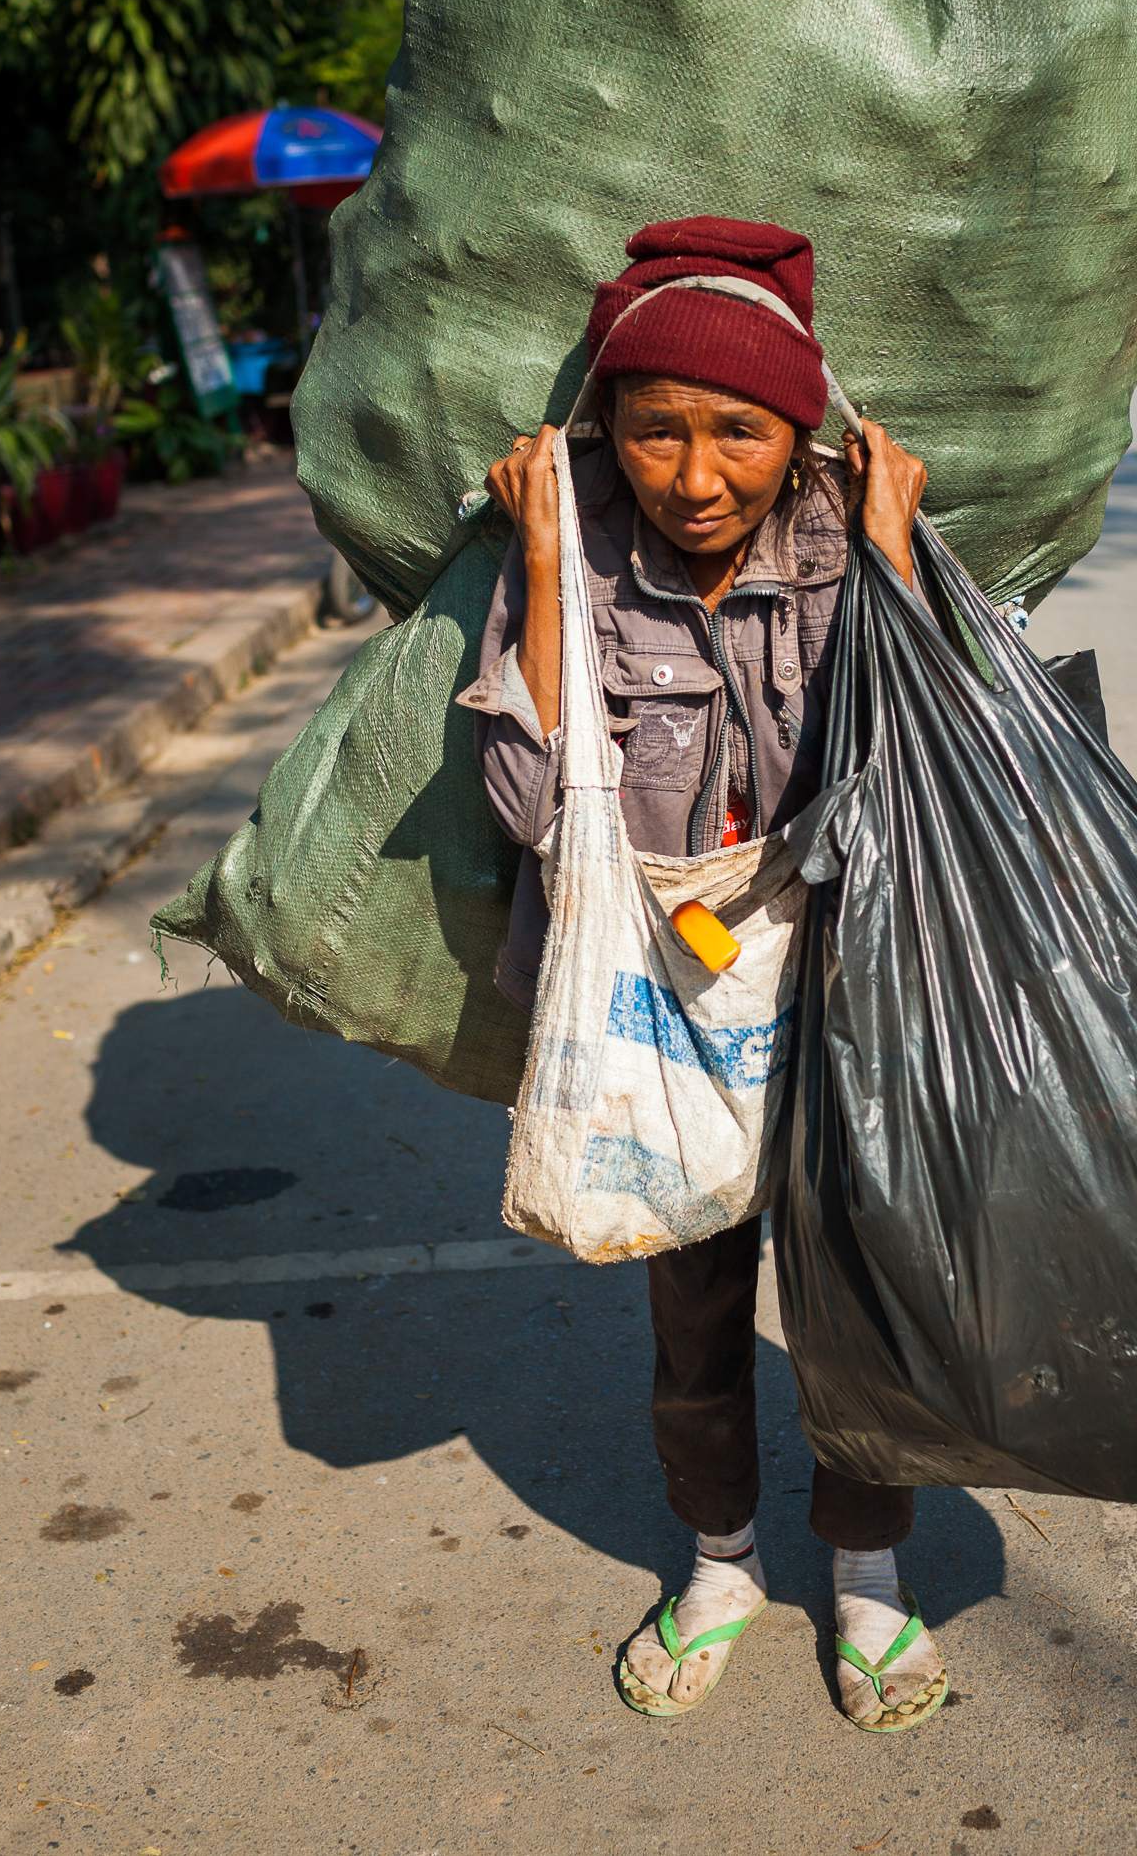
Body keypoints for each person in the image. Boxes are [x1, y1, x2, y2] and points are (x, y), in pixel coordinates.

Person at [465, 215, 946, 1732]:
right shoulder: (584, 552)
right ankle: (722, 1557)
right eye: (652, 428)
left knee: (861, 1295)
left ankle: (870, 1575)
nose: (691, 473)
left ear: (795, 430)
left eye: (736, 430)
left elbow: (925, 771)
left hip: (843, 986)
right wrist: (545, 564)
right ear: (602, 426)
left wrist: (883, 558)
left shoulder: (838, 534)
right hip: (660, 1012)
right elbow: (535, 807)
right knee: (695, 1306)